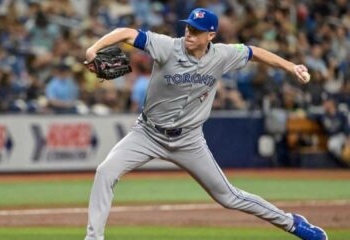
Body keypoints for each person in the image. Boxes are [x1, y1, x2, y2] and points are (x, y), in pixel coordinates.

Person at [84, 8, 327, 240]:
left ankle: (293, 223)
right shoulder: (167, 46)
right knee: (105, 172)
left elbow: (254, 52)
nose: (190, 33)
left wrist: (291, 66)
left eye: (197, 30)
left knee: (229, 197)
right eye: (189, 28)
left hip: (188, 140)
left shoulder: (222, 54)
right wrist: (95, 48)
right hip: (147, 133)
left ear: (211, 35)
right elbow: (126, 33)